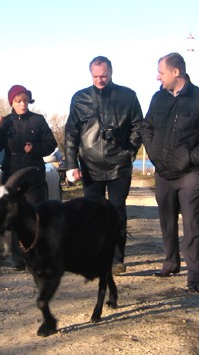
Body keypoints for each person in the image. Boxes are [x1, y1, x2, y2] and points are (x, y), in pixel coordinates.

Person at [142, 52, 199, 293]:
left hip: (189, 173)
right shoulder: (158, 99)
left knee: (191, 224)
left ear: (176, 72)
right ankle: (171, 262)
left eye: (161, 72)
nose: (158, 77)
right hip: (163, 172)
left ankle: (194, 276)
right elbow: (147, 127)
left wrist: (191, 157)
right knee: (166, 221)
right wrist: (153, 152)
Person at [64, 56, 143, 275]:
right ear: (90, 74)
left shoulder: (128, 96)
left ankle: (117, 259)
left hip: (120, 165)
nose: (100, 80)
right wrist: (71, 164)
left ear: (111, 72)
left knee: (116, 211)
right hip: (90, 167)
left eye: (104, 76)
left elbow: (139, 126)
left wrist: (129, 151)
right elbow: (71, 133)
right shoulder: (79, 99)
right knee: (92, 214)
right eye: (96, 76)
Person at [0, 85, 57, 270]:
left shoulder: (38, 120)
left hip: (34, 176)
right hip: (11, 176)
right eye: (18, 101)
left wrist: (35, 148)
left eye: (25, 100)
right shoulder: (5, 122)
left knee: (35, 215)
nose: (23, 104)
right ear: (12, 102)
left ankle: (38, 254)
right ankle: (18, 257)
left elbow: (51, 144)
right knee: (14, 216)